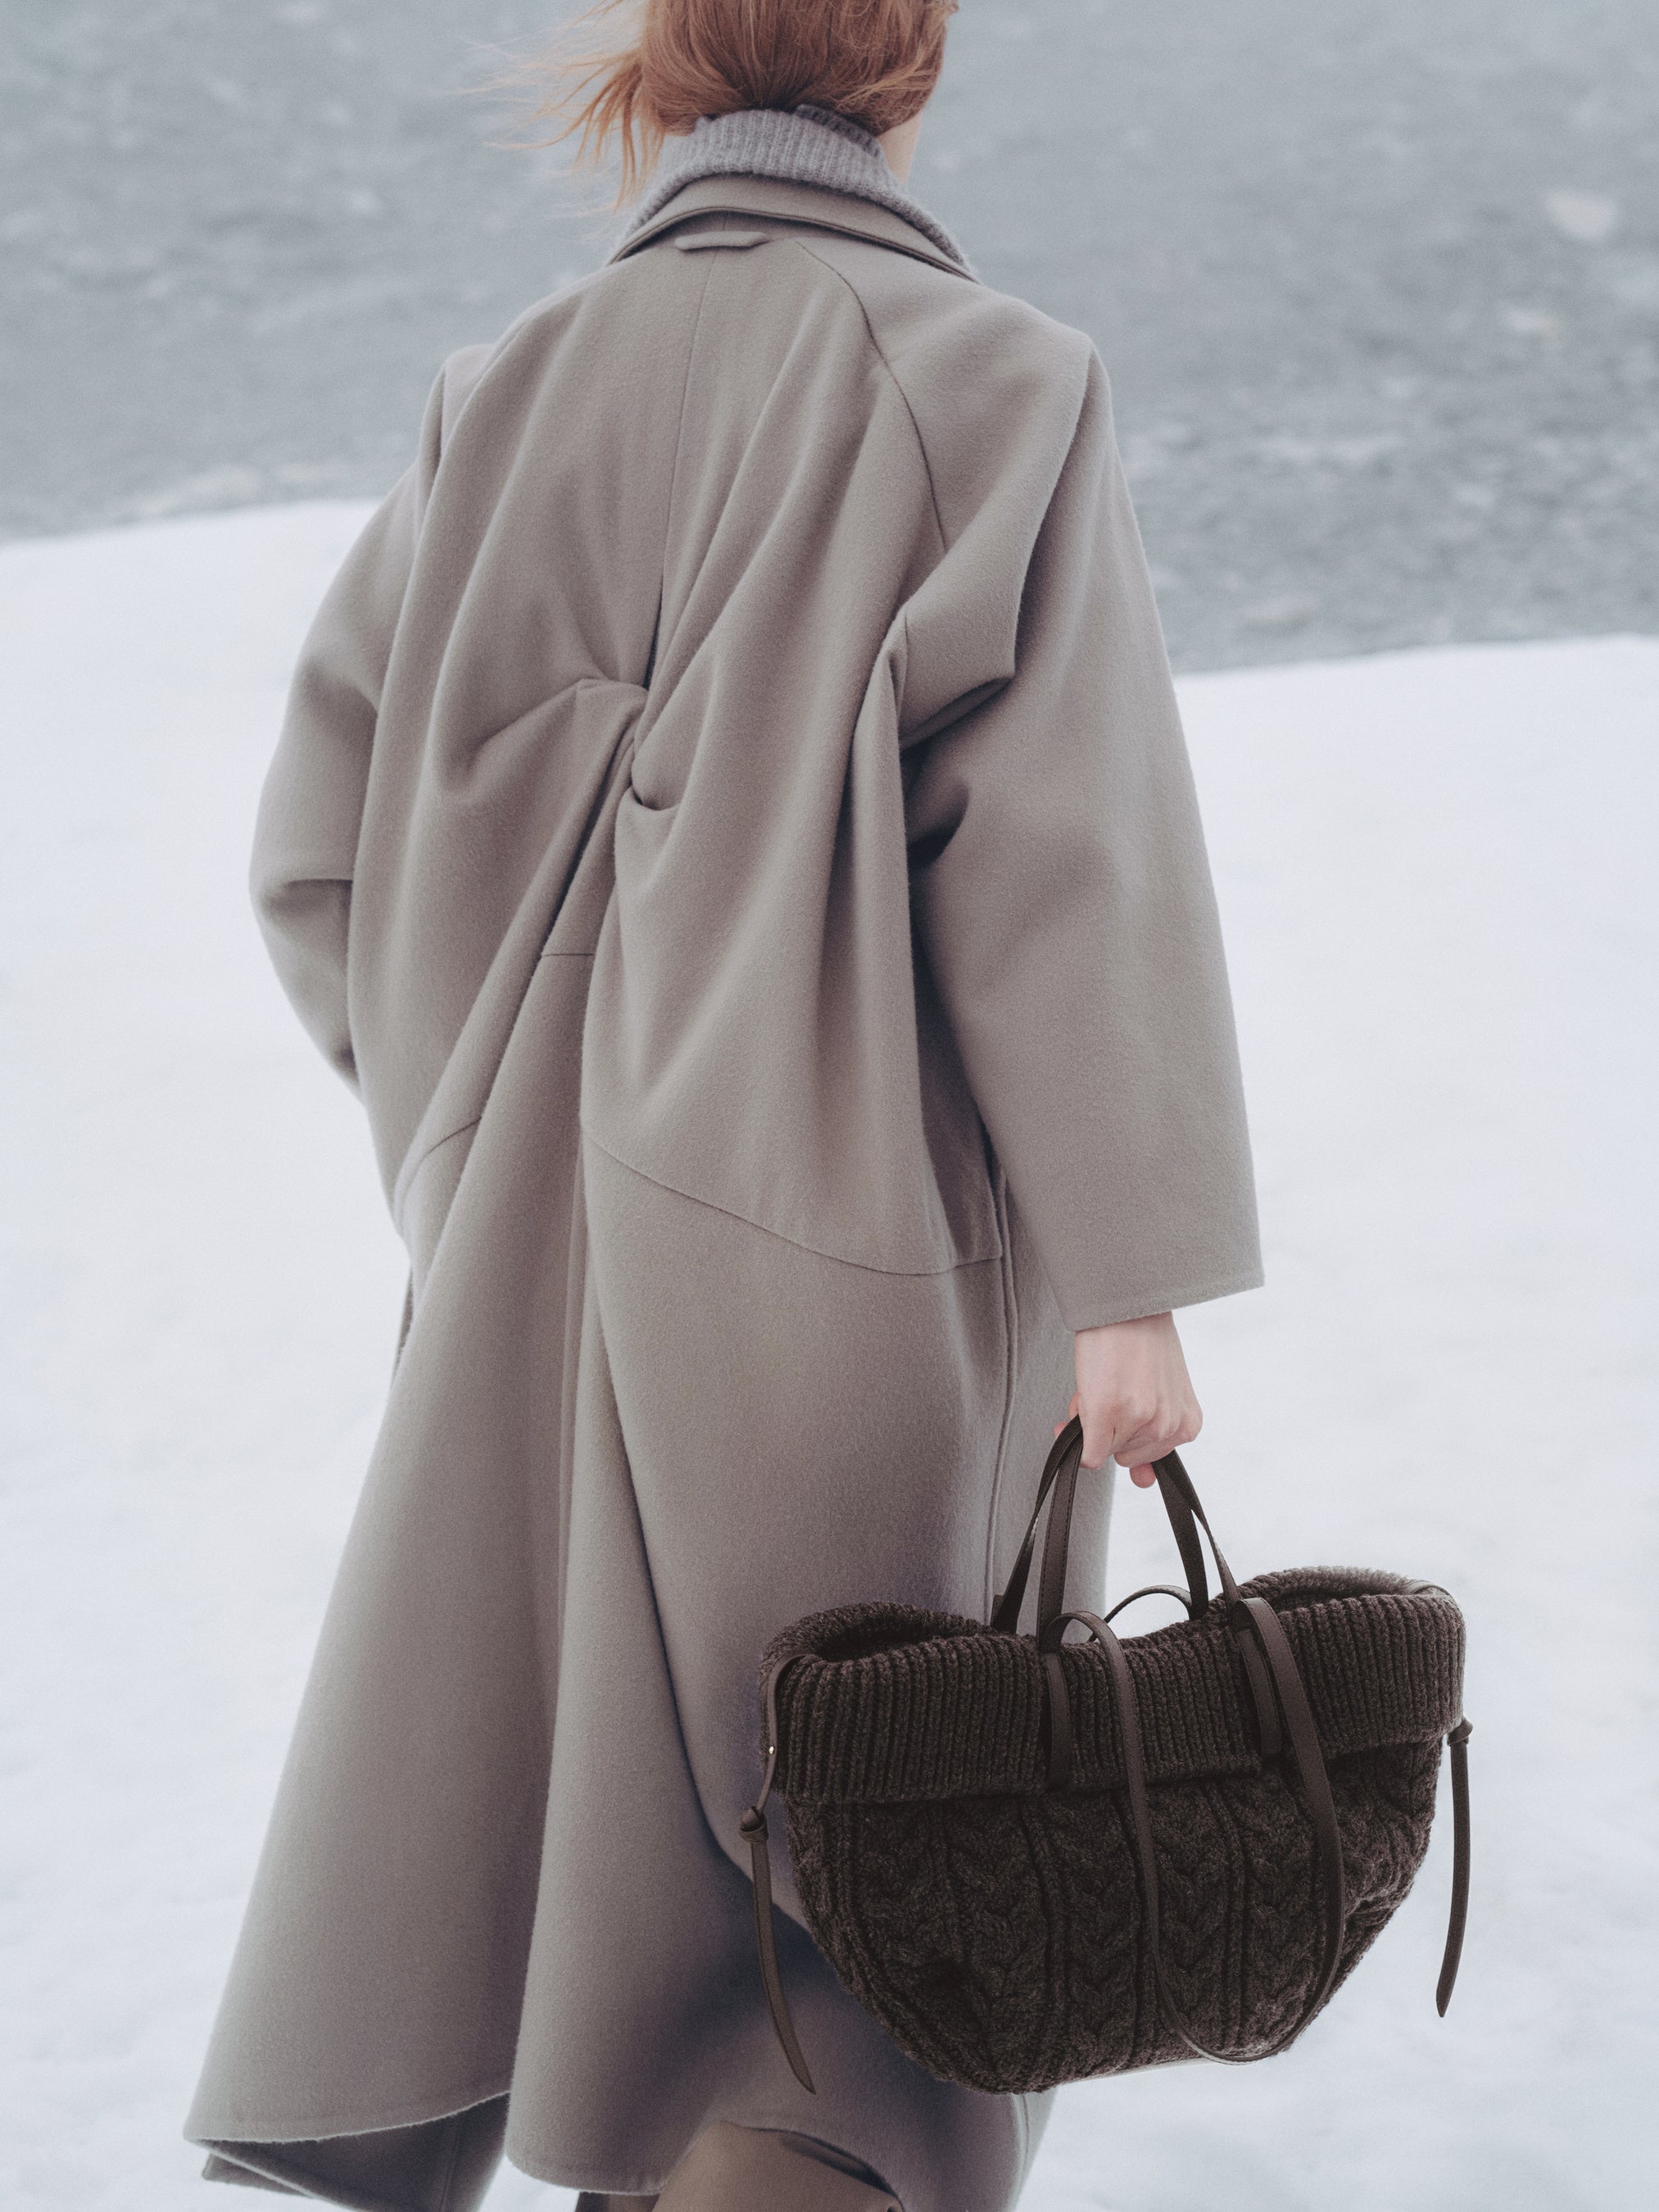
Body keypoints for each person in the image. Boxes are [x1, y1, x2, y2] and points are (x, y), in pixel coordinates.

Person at [184, 3, 1262, 2207]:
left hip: (523, 1285)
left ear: (664, 80)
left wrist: (483, 1132)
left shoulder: (501, 394)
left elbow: (316, 859)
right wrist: (1131, 1278)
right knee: (862, 1868)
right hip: (859, 1283)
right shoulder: (995, 383)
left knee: (585, 1839)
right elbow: (1065, 869)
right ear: (906, 77)